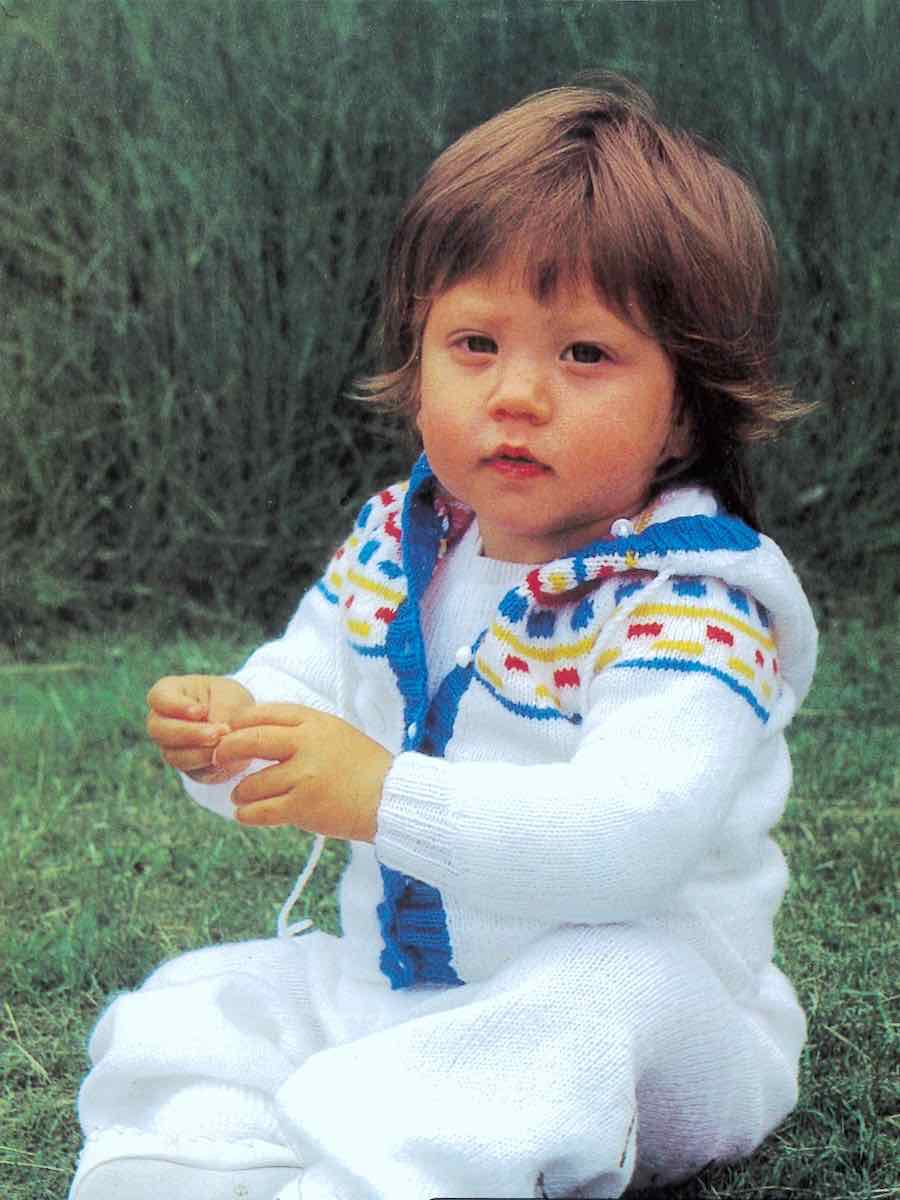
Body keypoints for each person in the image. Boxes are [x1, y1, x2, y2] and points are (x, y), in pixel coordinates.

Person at [69, 78, 818, 1200]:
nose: (516, 394)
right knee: (197, 1004)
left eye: (585, 355)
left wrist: (382, 797)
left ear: (686, 411)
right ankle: (190, 1163)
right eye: (475, 342)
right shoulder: (402, 539)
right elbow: (307, 686)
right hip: (404, 993)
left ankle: (366, 1177)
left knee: (592, 993)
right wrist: (231, 731)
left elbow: (630, 840)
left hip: (658, 1026)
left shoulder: (689, 604)